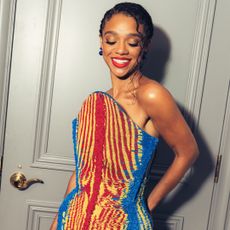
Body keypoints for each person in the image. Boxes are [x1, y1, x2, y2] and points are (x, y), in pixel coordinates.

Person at [50, 2, 199, 229]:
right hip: (75, 220)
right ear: (101, 41)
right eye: (111, 40)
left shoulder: (151, 94)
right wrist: (59, 220)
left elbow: (188, 153)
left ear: (145, 46)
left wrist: (145, 206)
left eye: (132, 42)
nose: (120, 50)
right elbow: (82, 173)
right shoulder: (94, 102)